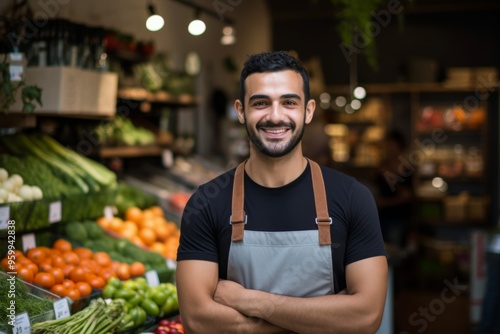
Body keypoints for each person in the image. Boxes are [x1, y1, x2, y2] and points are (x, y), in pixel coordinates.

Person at [176, 51, 388, 334]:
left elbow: (366, 317)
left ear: (308, 110)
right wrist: (314, 322)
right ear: (241, 111)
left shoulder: (352, 198)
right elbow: (197, 319)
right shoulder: (205, 203)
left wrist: (250, 301)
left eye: (289, 102)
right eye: (261, 103)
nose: (275, 116)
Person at [373, 130, 413, 249]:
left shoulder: (406, 168)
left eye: (391, 145)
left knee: (395, 251)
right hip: (382, 217)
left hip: (399, 217)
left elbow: (407, 196)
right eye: (386, 145)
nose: (388, 148)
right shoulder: (382, 165)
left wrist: (389, 177)